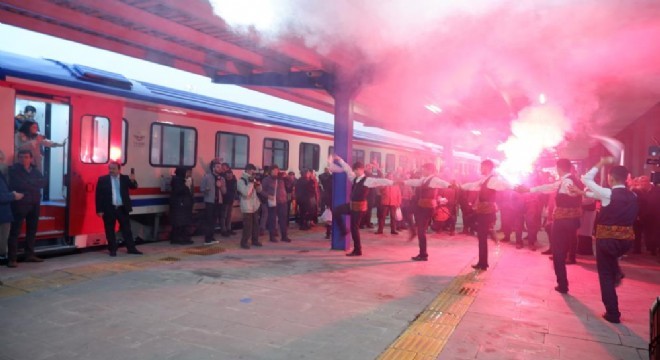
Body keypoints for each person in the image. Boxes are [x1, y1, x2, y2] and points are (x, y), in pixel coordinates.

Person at [570, 157, 638, 323]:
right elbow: (601, 196)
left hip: (607, 240)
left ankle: (612, 313)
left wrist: (600, 163)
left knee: (605, 275)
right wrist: (582, 193)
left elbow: (586, 180)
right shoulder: (634, 195)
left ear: (611, 178)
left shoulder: (609, 193)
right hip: (625, 242)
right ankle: (616, 271)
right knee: (611, 259)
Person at [527, 159, 583, 293]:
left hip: (563, 220)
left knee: (558, 251)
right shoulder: (571, 180)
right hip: (573, 220)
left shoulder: (567, 181)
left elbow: (567, 191)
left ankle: (562, 284)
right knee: (565, 246)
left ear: (559, 168)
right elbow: (550, 187)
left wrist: (573, 193)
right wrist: (530, 189)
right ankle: (563, 278)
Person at [331, 155, 393, 256]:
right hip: (352, 206)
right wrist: (340, 160)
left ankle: (358, 250)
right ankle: (343, 230)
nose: (354, 172)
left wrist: (393, 182)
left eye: (356, 170)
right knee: (336, 210)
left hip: (359, 208)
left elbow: (380, 181)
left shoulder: (367, 180)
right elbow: (347, 169)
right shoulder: (355, 178)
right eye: (354, 170)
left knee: (354, 228)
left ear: (360, 169)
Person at [461, 160, 511, 270]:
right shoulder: (485, 179)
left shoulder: (493, 179)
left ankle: (483, 263)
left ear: (488, 167)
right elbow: (473, 185)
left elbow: (506, 185)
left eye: (482, 167)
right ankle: (482, 262)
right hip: (483, 210)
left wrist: (515, 186)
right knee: (481, 236)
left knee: (482, 236)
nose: (480, 168)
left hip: (487, 211)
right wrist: (460, 186)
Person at [7, 150, 46, 267]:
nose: (24, 159)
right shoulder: (14, 170)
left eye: (26, 157)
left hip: (34, 204)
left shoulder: (35, 170)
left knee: (32, 230)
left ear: (31, 159)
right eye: (21, 157)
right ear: (18, 158)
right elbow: (18, 184)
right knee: (15, 231)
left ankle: (29, 254)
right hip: (20, 204)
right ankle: (12, 259)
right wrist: (33, 184)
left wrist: (29, 184)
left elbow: (43, 182)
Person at [95, 161, 143, 257]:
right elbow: (98, 196)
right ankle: (112, 250)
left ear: (119, 169)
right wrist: (99, 210)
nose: (111, 170)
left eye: (113, 169)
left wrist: (133, 180)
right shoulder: (103, 179)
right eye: (110, 168)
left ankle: (131, 248)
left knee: (127, 229)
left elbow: (133, 187)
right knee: (109, 230)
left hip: (122, 208)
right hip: (109, 209)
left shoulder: (124, 178)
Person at [405, 163, 450, 261]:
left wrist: (451, 185)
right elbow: (414, 182)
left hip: (427, 208)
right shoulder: (424, 179)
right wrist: (403, 182)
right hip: (421, 206)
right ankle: (413, 232)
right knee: (406, 210)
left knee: (421, 230)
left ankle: (423, 254)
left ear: (429, 170)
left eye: (424, 169)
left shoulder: (434, 179)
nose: (422, 171)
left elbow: (443, 183)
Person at [261, 165, 292, 243]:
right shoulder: (266, 180)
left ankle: (284, 236)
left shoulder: (281, 178)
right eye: (274, 170)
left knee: (283, 219)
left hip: (283, 201)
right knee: (272, 219)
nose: (276, 172)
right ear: (270, 171)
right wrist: (268, 196)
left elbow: (290, 185)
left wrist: (287, 177)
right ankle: (272, 236)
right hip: (273, 202)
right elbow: (261, 190)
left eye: (277, 170)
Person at [1, 162, 24, 266]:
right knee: (1, 247)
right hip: (2, 215)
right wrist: (13, 196)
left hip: (4, 215)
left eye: (2, 159)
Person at [200, 159, 226, 245]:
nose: (219, 168)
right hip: (210, 202)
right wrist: (207, 190)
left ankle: (212, 237)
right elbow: (202, 189)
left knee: (214, 220)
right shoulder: (207, 177)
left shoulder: (222, 178)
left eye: (220, 167)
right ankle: (207, 239)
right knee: (209, 220)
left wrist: (221, 186)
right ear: (213, 168)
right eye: (217, 167)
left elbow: (224, 192)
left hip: (218, 202)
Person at [237, 164, 263, 249]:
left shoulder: (252, 179)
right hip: (247, 206)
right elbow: (246, 193)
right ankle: (244, 242)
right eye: (252, 171)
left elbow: (259, 191)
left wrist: (258, 184)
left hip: (254, 206)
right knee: (247, 226)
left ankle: (255, 240)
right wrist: (251, 183)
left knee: (256, 225)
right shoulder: (241, 181)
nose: (254, 173)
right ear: (248, 170)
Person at [169, 167, 194, 245]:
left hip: (179, 204)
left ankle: (177, 238)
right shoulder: (178, 180)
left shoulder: (177, 180)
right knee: (181, 223)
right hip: (180, 204)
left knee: (178, 223)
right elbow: (180, 191)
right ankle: (181, 239)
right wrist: (186, 186)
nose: (186, 174)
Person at [220, 163, 237, 236]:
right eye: (227, 174)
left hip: (231, 200)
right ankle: (223, 230)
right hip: (224, 200)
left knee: (229, 215)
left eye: (230, 173)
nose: (229, 175)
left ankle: (228, 229)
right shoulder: (223, 179)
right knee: (223, 215)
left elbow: (235, 189)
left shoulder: (234, 180)